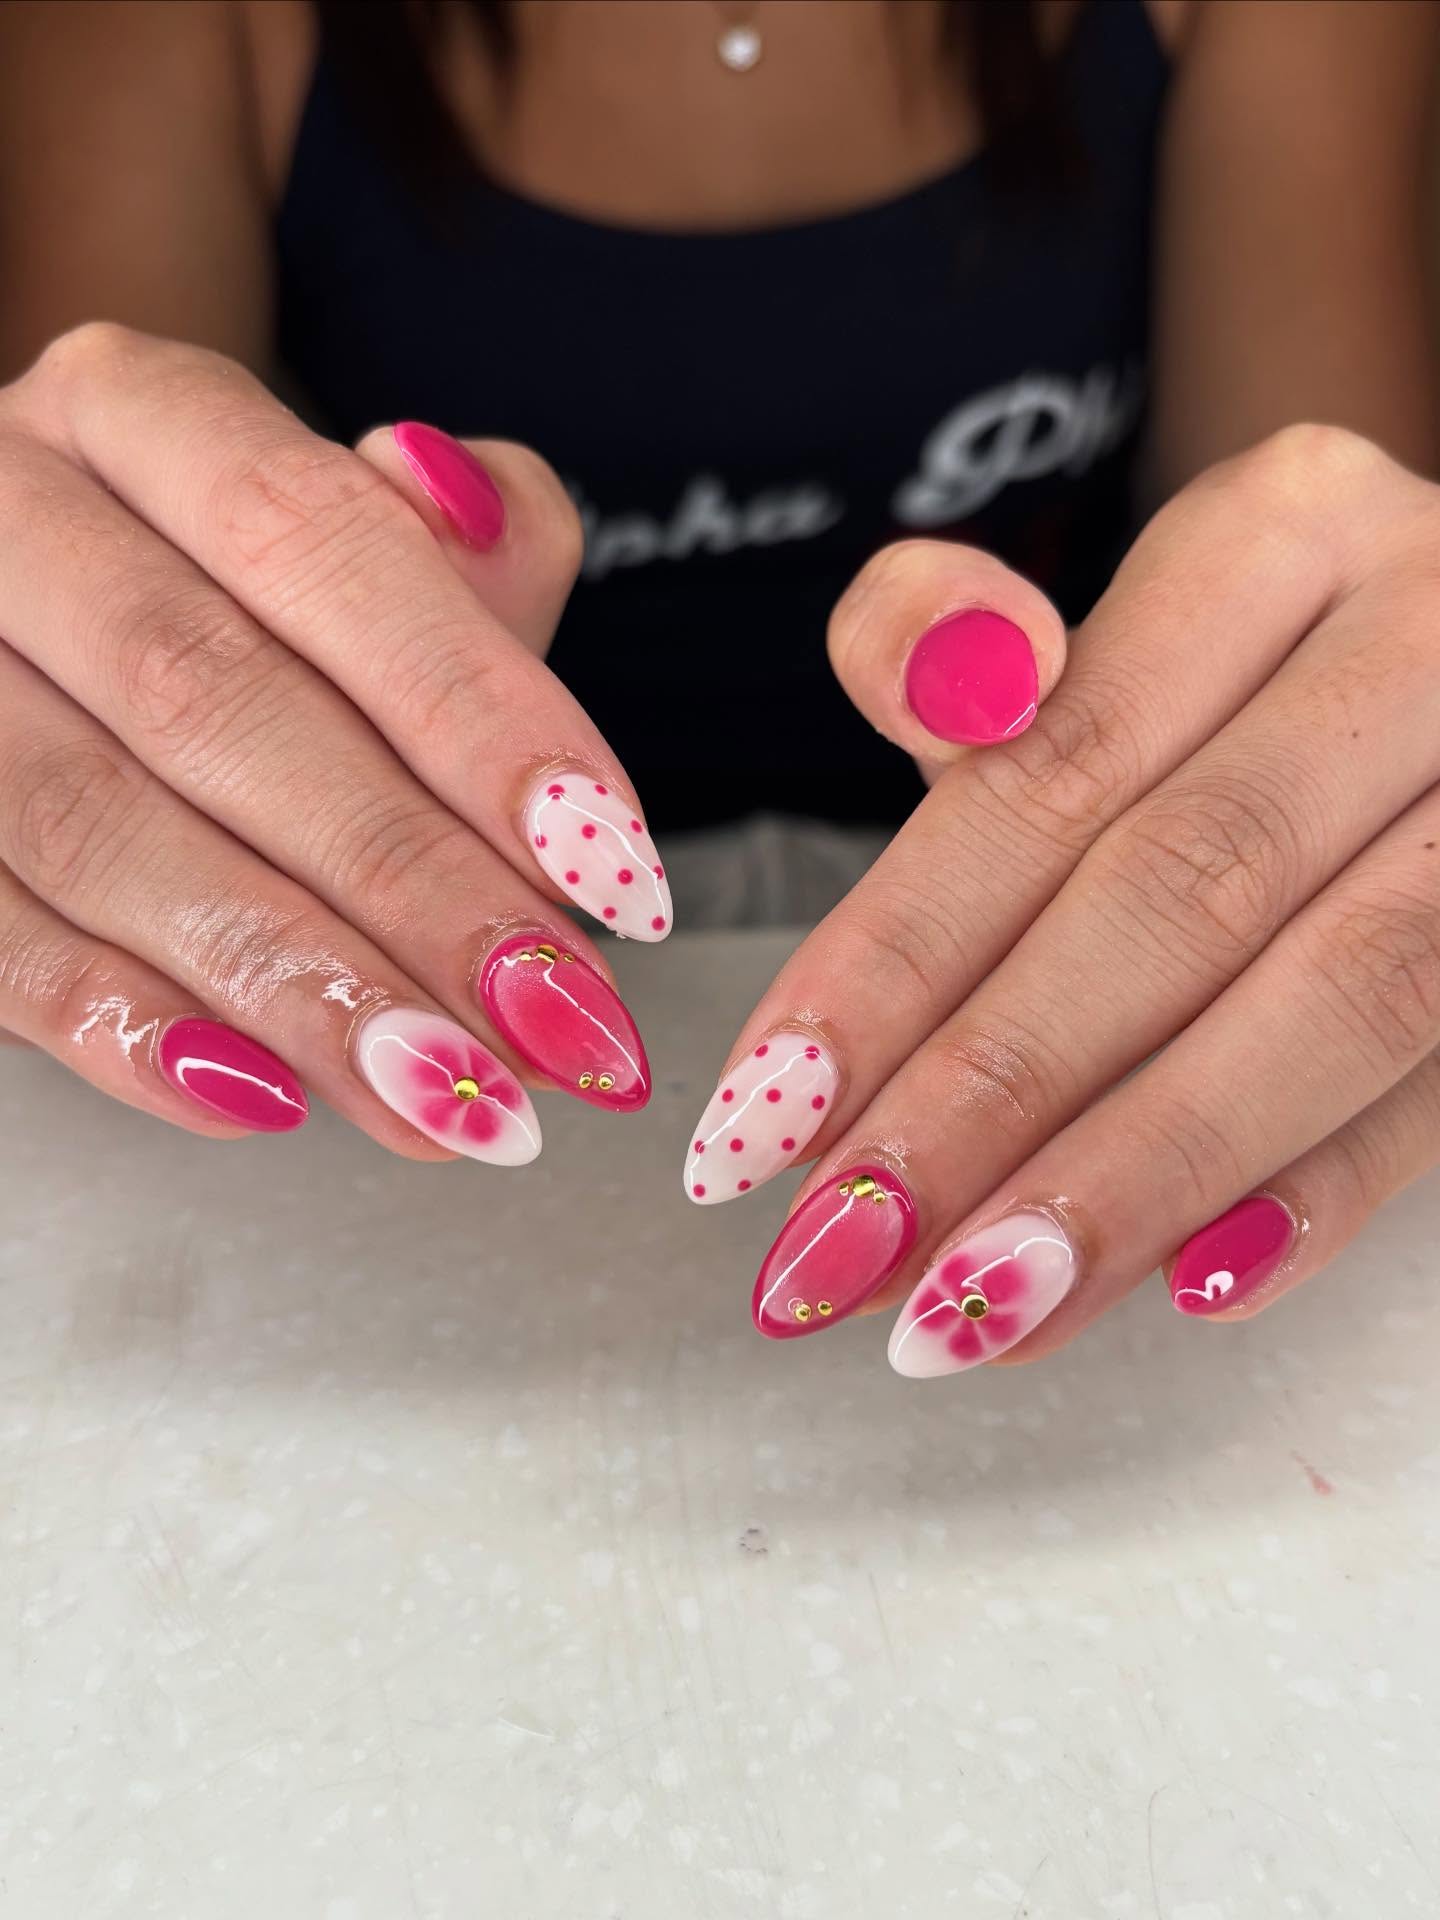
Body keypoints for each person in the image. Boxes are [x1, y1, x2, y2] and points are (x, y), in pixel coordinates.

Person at [0, 0, 1437, 1373]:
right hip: (358, 1238)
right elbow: (114, 646)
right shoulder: (145, 25)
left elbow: (1309, 628)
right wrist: (113, 634)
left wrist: (1350, 704)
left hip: (1066, 1032)